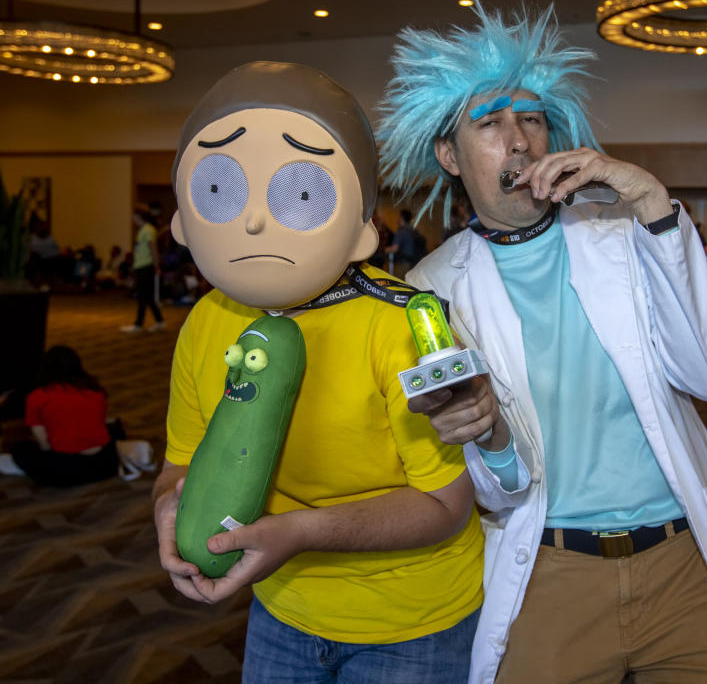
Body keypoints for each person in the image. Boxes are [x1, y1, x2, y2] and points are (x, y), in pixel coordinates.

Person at [378, 4, 707, 684]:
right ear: (449, 155)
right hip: (548, 568)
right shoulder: (430, 292)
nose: (518, 141)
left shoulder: (629, 237)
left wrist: (649, 197)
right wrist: (492, 435)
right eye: (490, 123)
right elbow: (500, 490)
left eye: (532, 119)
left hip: (685, 560)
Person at [152, 61, 483, 683]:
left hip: (414, 623)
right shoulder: (207, 320)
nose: (253, 221)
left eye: (301, 193)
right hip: (282, 605)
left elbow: (445, 505)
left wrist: (298, 532)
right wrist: (169, 508)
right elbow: (179, 463)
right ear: (182, 222)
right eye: (221, 189)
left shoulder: (402, 325)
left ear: (362, 230)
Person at [0, 346, 118, 486]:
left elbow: (42, 440)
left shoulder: (37, 397)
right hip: (106, 464)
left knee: (20, 449)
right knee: (114, 430)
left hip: (65, 470)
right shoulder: (95, 391)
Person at [120, 204, 165, 333]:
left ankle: (138, 325)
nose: (132, 218)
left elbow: (153, 250)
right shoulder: (142, 230)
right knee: (148, 297)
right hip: (141, 266)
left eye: (133, 216)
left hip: (146, 267)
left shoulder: (148, 230)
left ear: (139, 216)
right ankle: (159, 321)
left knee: (142, 297)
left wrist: (156, 267)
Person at [385, 208, 427, 278]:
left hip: (403, 264)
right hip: (415, 263)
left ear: (402, 218)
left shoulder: (401, 232)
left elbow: (394, 249)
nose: (398, 219)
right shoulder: (413, 230)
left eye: (399, 217)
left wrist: (386, 249)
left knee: (398, 283)